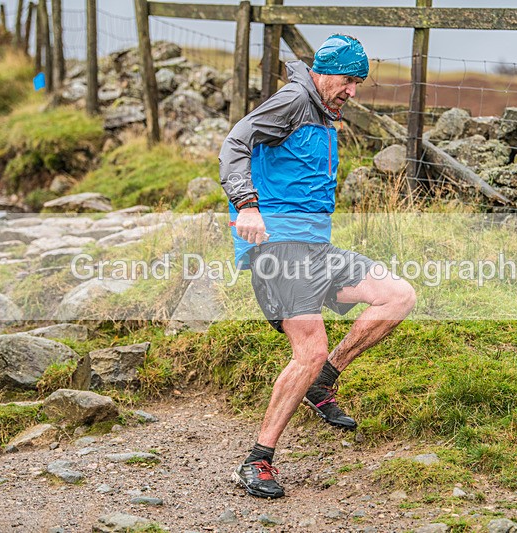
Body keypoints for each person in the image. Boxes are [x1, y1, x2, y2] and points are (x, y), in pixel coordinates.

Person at [219, 34, 416, 499]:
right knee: (306, 350)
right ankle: (256, 461)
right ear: (325, 72)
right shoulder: (291, 101)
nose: (353, 92)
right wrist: (247, 204)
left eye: (358, 83)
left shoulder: (324, 110)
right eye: (348, 81)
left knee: (398, 296)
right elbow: (235, 143)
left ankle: (323, 380)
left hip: (316, 252)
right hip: (278, 251)